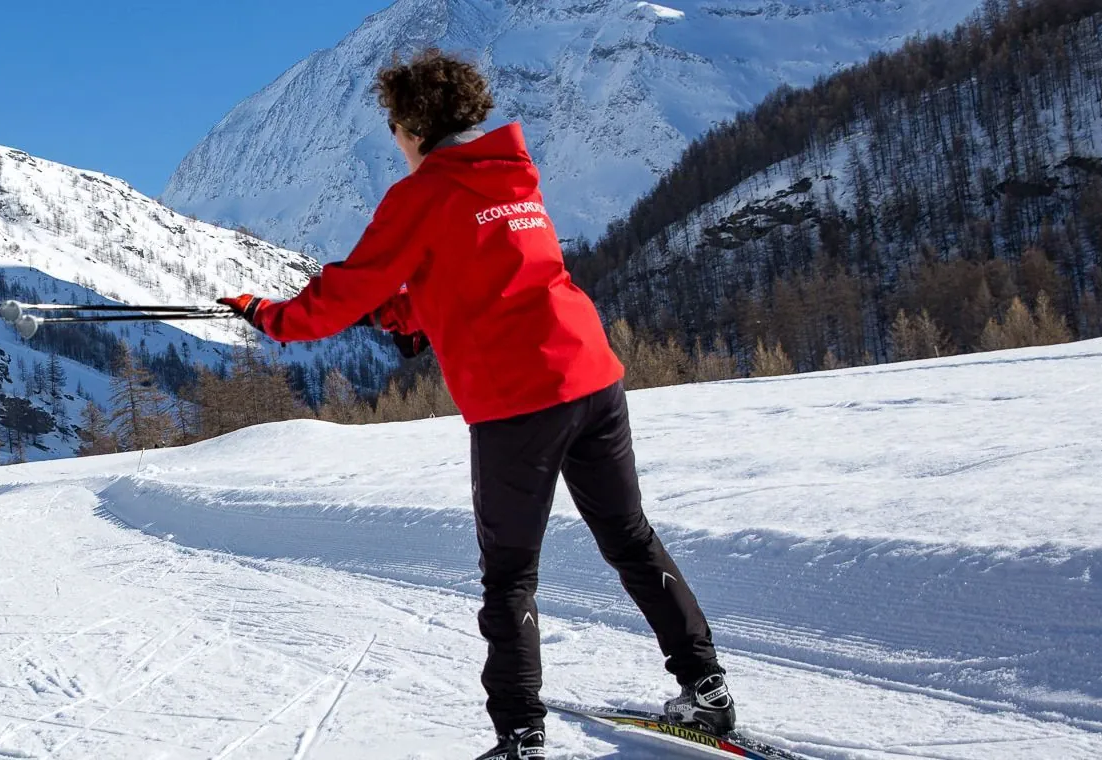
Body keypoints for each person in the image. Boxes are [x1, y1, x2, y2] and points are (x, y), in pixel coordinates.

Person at [215, 48, 734, 760]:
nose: (394, 141)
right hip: (592, 377)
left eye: (394, 126)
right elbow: (481, 269)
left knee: (511, 572)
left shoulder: (422, 195)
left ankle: (520, 735)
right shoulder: (512, 175)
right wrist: (405, 314)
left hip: (518, 401)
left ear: (414, 124)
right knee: (629, 537)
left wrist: (267, 315)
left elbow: (339, 294)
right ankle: (706, 691)